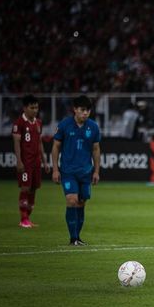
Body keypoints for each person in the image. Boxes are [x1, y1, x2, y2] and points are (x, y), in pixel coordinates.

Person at [51, 95, 101, 246]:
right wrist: (55, 169)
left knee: (81, 203)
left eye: (88, 110)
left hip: (86, 172)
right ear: (75, 110)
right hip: (68, 171)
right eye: (82, 110)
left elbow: (96, 149)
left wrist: (97, 171)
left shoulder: (93, 127)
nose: (85, 113)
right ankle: (73, 238)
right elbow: (56, 147)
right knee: (71, 200)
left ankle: (77, 237)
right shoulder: (65, 125)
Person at [12, 95, 51, 228]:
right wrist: (19, 161)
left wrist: (45, 162)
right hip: (26, 162)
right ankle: (23, 219)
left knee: (34, 188)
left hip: (36, 162)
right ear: (25, 108)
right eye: (32, 107)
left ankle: (27, 218)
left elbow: (40, 142)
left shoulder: (38, 122)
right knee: (25, 188)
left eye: (36, 107)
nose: (35, 110)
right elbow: (16, 143)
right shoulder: (19, 123)